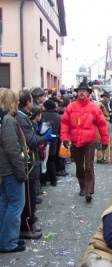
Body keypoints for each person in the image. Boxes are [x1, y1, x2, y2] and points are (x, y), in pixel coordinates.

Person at [60, 82, 110, 202]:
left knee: (89, 166)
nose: (82, 92)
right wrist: (64, 138)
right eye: (80, 90)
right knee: (79, 167)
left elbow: (102, 125)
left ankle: (89, 191)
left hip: (89, 142)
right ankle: (82, 186)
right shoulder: (71, 107)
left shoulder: (94, 107)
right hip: (76, 141)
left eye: (84, 90)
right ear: (77, 92)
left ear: (88, 93)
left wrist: (105, 140)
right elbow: (65, 123)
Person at [16, 90, 56, 239]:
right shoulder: (21, 118)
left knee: (30, 196)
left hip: (31, 161)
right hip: (28, 163)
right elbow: (30, 140)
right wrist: (44, 138)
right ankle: (26, 226)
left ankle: (29, 223)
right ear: (28, 102)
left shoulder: (23, 117)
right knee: (28, 197)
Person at [0, 88, 29, 253]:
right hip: (10, 169)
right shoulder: (8, 120)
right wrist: (20, 172)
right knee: (16, 204)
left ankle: (4, 239)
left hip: (3, 169)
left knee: (5, 203)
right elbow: (11, 149)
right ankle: (8, 242)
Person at [41, 99, 62, 186]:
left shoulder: (43, 115)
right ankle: (54, 180)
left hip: (44, 140)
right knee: (51, 161)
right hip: (54, 141)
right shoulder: (57, 116)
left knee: (43, 161)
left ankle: (44, 180)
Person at [96, 91, 111, 164]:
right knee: (101, 140)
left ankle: (101, 157)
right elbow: (96, 112)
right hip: (102, 124)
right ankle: (99, 158)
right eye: (108, 97)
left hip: (106, 123)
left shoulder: (105, 104)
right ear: (104, 97)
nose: (109, 99)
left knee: (104, 140)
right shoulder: (100, 104)